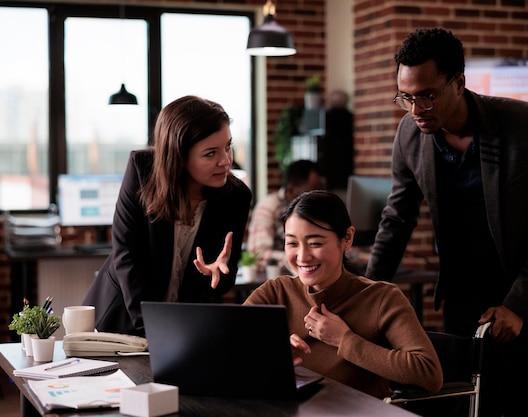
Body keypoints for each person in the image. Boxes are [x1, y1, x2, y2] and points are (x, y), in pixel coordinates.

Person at [365, 28, 528, 417]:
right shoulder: (410, 135)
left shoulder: (526, 125)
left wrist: (518, 305)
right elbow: (397, 218)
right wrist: (366, 294)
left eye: (428, 95)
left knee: (523, 403)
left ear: (460, 82)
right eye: (406, 97)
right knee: (465, 402)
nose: (417, 109)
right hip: (464, 289)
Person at [244, 190, 443, 399]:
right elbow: (225, 345)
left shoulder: (382, 298)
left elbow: (429, 373)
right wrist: (269, 351)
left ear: (347, 238)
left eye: (315, 243)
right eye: (292, 243)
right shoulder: (275, 292)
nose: (302, 256)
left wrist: (345, 340)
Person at [83, 95, 252, 336]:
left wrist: (216, 275)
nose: (225, 161)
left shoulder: (236, 196)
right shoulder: (142, 171)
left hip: (186, 327)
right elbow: (127, 255)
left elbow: (222, 281)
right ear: (179, 156)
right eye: (210, 153)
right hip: (123, 318)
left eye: (228, 147)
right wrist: (153, 329)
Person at [246, 159, 323, 269]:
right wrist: (297, 259)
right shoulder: (269, 207)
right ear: (292, 188)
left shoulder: (315, 210)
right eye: (314, 188)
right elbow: (257, 254)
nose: (318, 193)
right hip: (276, 278)